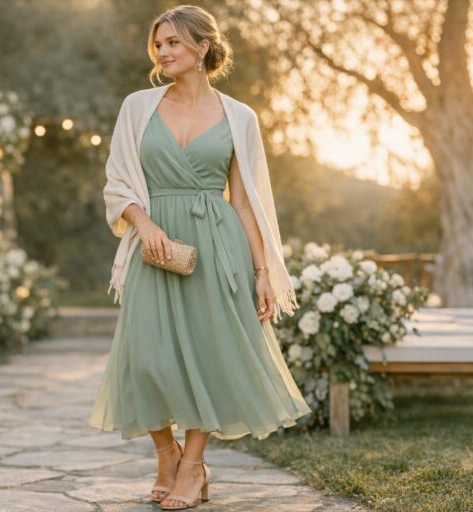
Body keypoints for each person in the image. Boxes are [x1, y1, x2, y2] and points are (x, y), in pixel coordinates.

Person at [88, 4, 312, 510]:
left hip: (218, 246)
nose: (162, 52)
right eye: (158, 44)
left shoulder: (240, 117)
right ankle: (166, 455)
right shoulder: (137, 107)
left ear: (202, 47)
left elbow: (246, 201)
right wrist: (144, 224)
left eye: (173, 42)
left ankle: (192, 467)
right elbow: (117, 183)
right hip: (155, 245)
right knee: (145, 359)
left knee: (207, 358)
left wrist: (262, 272)